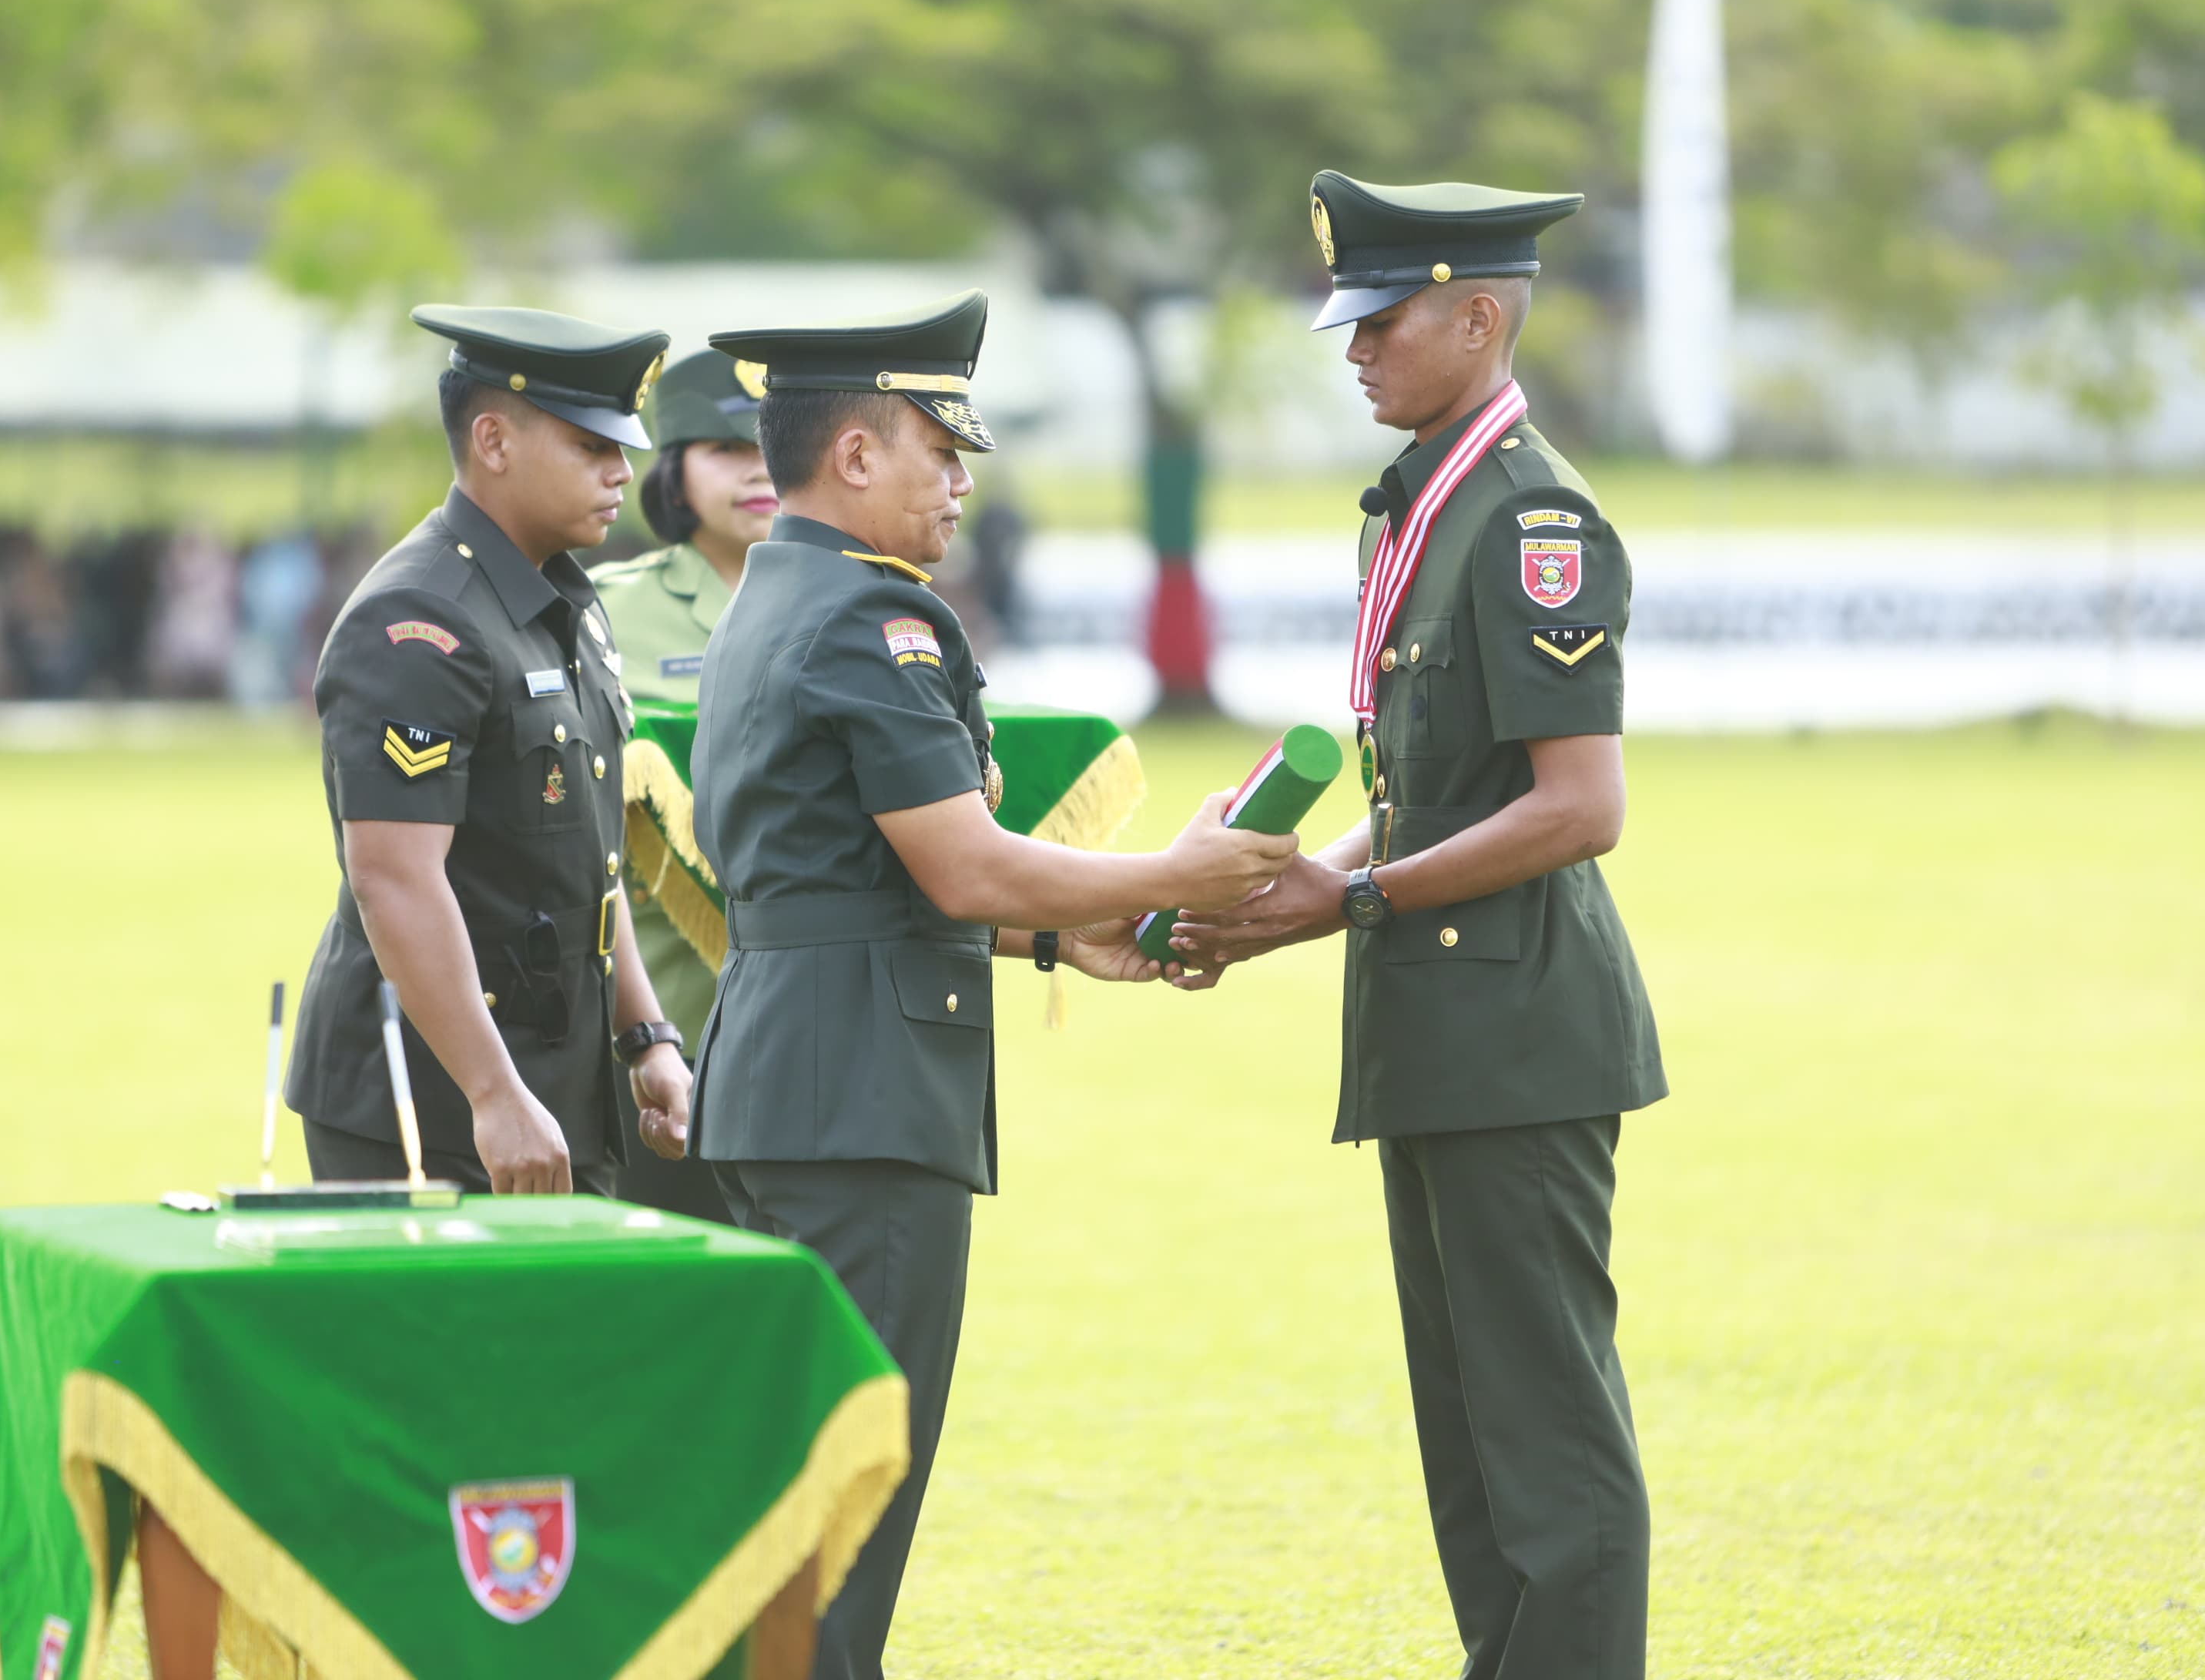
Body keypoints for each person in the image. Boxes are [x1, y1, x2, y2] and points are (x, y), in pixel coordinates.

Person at [689, 289, 1297, 1680]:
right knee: (848, 1498)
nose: (961, 482)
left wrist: (1057, 937)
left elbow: (857, 874)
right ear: (852, 457)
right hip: (861, 1101)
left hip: (788, 1079)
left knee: (787, 1491)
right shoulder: (871, 624)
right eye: (937, 450)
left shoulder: (773, 595)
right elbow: (962, 866)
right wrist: (1176, 874)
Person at [1171, 174, 1667, 1680]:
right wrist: (1284, 905)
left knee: (1549, 1441)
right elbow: (1426, 787)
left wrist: (1355, 896)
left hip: (1517, 1032)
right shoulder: (1428, 505)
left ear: (1476, 316)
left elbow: (1580, 805)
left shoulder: (1531, 525)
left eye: (1381, 321)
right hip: (1441, 1030)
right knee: (1470, 1439)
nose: (1353, 350)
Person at [283, 304, 694, 1197]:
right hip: (426, 1102)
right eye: (591, 444)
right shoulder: (419, 622)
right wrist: (493, 1089)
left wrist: (646, 1034)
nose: (622, 471)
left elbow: (591, 859)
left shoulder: (560, 607)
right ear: (495, 441)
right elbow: (394, 875)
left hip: (546, 1085)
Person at [591, 348, 777, 1223]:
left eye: (776, 446)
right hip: (662, 1001)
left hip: (807, 1013)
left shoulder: (856, 599)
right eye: (725, 449)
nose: (760, 471)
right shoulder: (606, 607)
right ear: (672, 469)